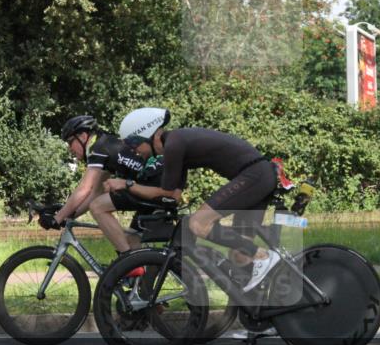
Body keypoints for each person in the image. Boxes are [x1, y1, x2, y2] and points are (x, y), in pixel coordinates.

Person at [109, 107, 280, 292]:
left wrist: (127, 184)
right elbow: (173, 194)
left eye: (134, 145)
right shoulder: (177, 143)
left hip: (255, 176)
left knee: (199, 224)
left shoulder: (174, 144)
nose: (135, 152)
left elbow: (165, 192)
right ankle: (264, 307)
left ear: (149, 136)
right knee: (241, 255)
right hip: (259, 175)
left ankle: (264, 257)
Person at [43, 115, 175, 262]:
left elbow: (84, 189)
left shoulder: (97, 148)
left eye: (70, 142)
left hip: (153, 186)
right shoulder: (105, 146)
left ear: (83, 135)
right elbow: (94, 193)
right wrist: (70, 216)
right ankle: (138, 276)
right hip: (151, 183)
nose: (69, 148)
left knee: (98, 207)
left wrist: (57, 218)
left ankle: (126, 262)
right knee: (131, 240)